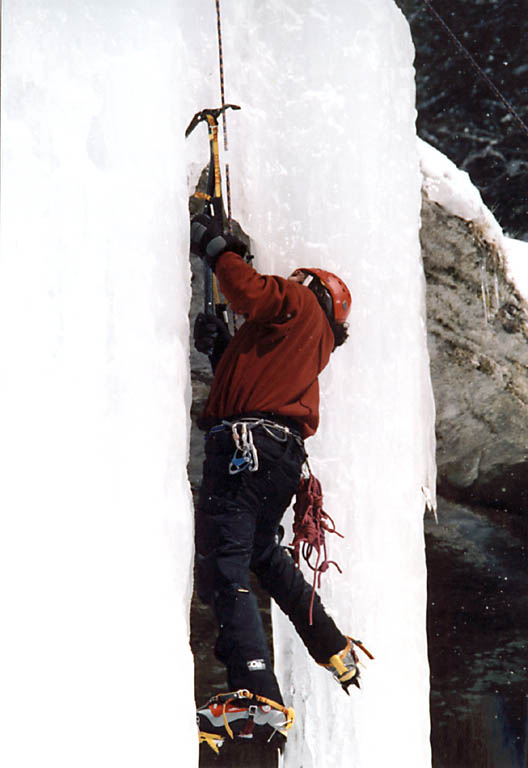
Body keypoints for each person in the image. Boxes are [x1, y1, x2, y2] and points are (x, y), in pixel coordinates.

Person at [190, 213, 368, 749]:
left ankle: (255, 687)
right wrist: (222, 349)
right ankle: (332, 644)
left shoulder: (297, 302)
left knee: (225, 559)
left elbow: (247, 290)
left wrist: (221, 250)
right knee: (263, 555)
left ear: (311, 287)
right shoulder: (306, 346)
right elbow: (255, 375)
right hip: (277, 458)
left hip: (247, 451)